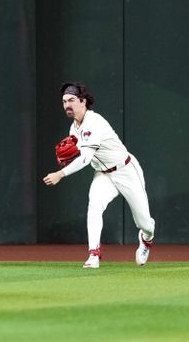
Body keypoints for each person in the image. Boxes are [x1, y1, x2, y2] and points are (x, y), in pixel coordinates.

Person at [42, 82, 155, 269]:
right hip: (103, 175)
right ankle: (93, 255)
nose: (67, 105)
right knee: (94, 206)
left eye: (71, 100)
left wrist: (60, 174)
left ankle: (146, 239)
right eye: (64, 101)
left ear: (83, 102)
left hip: (126, 170)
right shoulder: (74, 128)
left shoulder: (94, 122)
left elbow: (85, 159)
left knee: (144, 223)